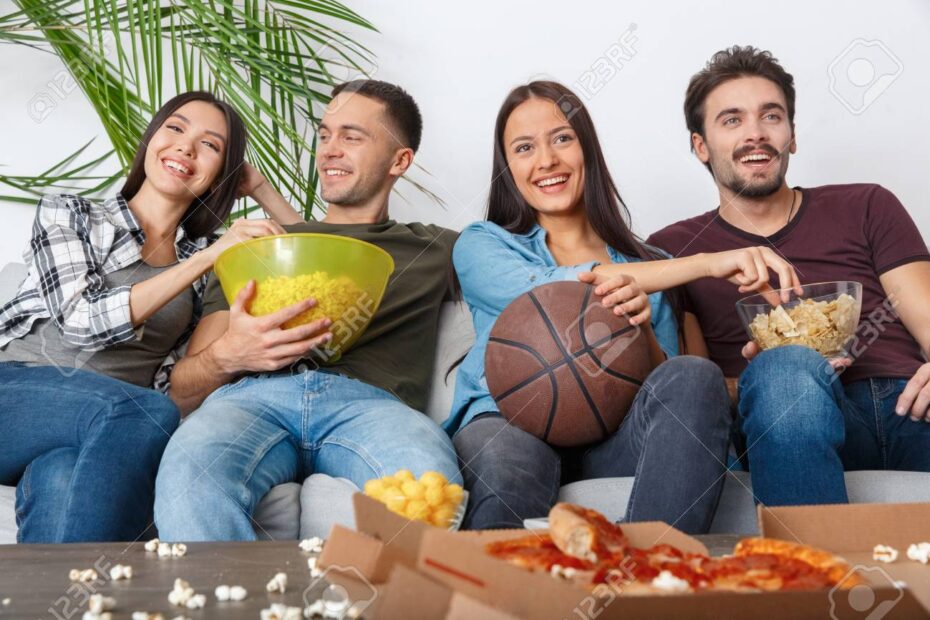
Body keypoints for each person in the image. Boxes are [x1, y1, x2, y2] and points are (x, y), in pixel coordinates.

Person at [446, 81, 802, 534]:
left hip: (611, 439)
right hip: (507, 423)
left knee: (694, 374)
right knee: (507, 462)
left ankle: (647, 581)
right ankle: (499, 600)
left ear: (587, 150)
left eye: (562, 139)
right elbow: (549, 289)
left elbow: (670, 388)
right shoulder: (483, 244)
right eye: (523, 148)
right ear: (508, 167)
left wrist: (641, 330)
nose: (546, 161)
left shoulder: (652, 269)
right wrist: (705, 263)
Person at [154, 80, 462, 541]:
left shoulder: (436, 248)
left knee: (431, 487)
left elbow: (532, 272)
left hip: (373, 408)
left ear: (400, 160)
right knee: (190, 477)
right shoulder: (255, 246)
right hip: (251, 401)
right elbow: (183, 390)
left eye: (352, 137)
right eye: (324, 135)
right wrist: (230, 355)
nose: (330, 151)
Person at [647, 46, 930, 507]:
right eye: (732, 120)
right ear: (700, 145)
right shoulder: (675, 248)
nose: (755, 134)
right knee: (784, 369)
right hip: (787, 410)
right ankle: (811, 576)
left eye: (771, 117)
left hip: (909, 403)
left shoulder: (866, 204)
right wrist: (772, 370)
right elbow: (694, 387)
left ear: (792, 135)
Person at [0, 91, 281, 542]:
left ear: (219, 179)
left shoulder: (210, 267)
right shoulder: (71, 212)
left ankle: (73, 609)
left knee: (63, 478)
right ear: (150, 141)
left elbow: (182, 389)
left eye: (210, 145)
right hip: (14, 395)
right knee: (145, 412)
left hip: (100, 434)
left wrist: (262, 191)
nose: (186, 148)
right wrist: (202, 262)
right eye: (175, 128)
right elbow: (82, 320)